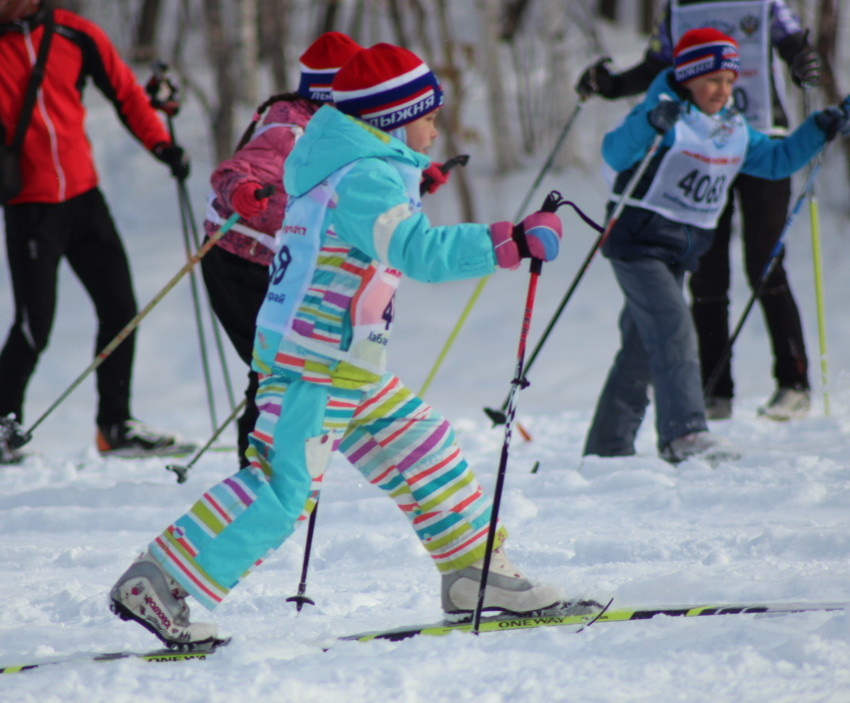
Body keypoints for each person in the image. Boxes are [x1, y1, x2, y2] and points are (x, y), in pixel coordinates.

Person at [108, 42, 594, 649]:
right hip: (315, 362)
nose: (437, 126)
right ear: (393, 118)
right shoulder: (363, 177)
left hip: (346, 362)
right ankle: (161, 580)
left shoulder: (357, 165)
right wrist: (509, 240)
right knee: (282, 490)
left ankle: (475, 571)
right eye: (429, 114)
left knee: (425, 447)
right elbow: (417, 251)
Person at [581, 28, 849, 463]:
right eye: (712, 81)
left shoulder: (731, 128)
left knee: (641, 349)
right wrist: (651, 122)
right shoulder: (662, 113)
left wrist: (822, 127)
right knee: (673, 327)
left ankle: (606, 449)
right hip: (637, 243)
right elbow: (614, 152)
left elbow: (778, 160)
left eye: (730, 81)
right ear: (687, 77)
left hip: (679, 253)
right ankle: (683, 433)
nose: (723, 91)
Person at [0, 0, 192, 463]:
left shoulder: (75, 34)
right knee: (35, 324)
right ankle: (4, 425)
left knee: (120, 308)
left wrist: (163, 146)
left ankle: (115, 425)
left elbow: (126, 93)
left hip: (84, 198)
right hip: (29, 206)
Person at [201, 31, 362, 469]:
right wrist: (243, 191)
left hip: (273, 264)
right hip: (236, 259)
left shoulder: (332, 125)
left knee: (281, 365)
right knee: (273, 367)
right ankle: (256, 471)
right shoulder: (290, 126)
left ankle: (266, 465)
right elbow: (233, 170)